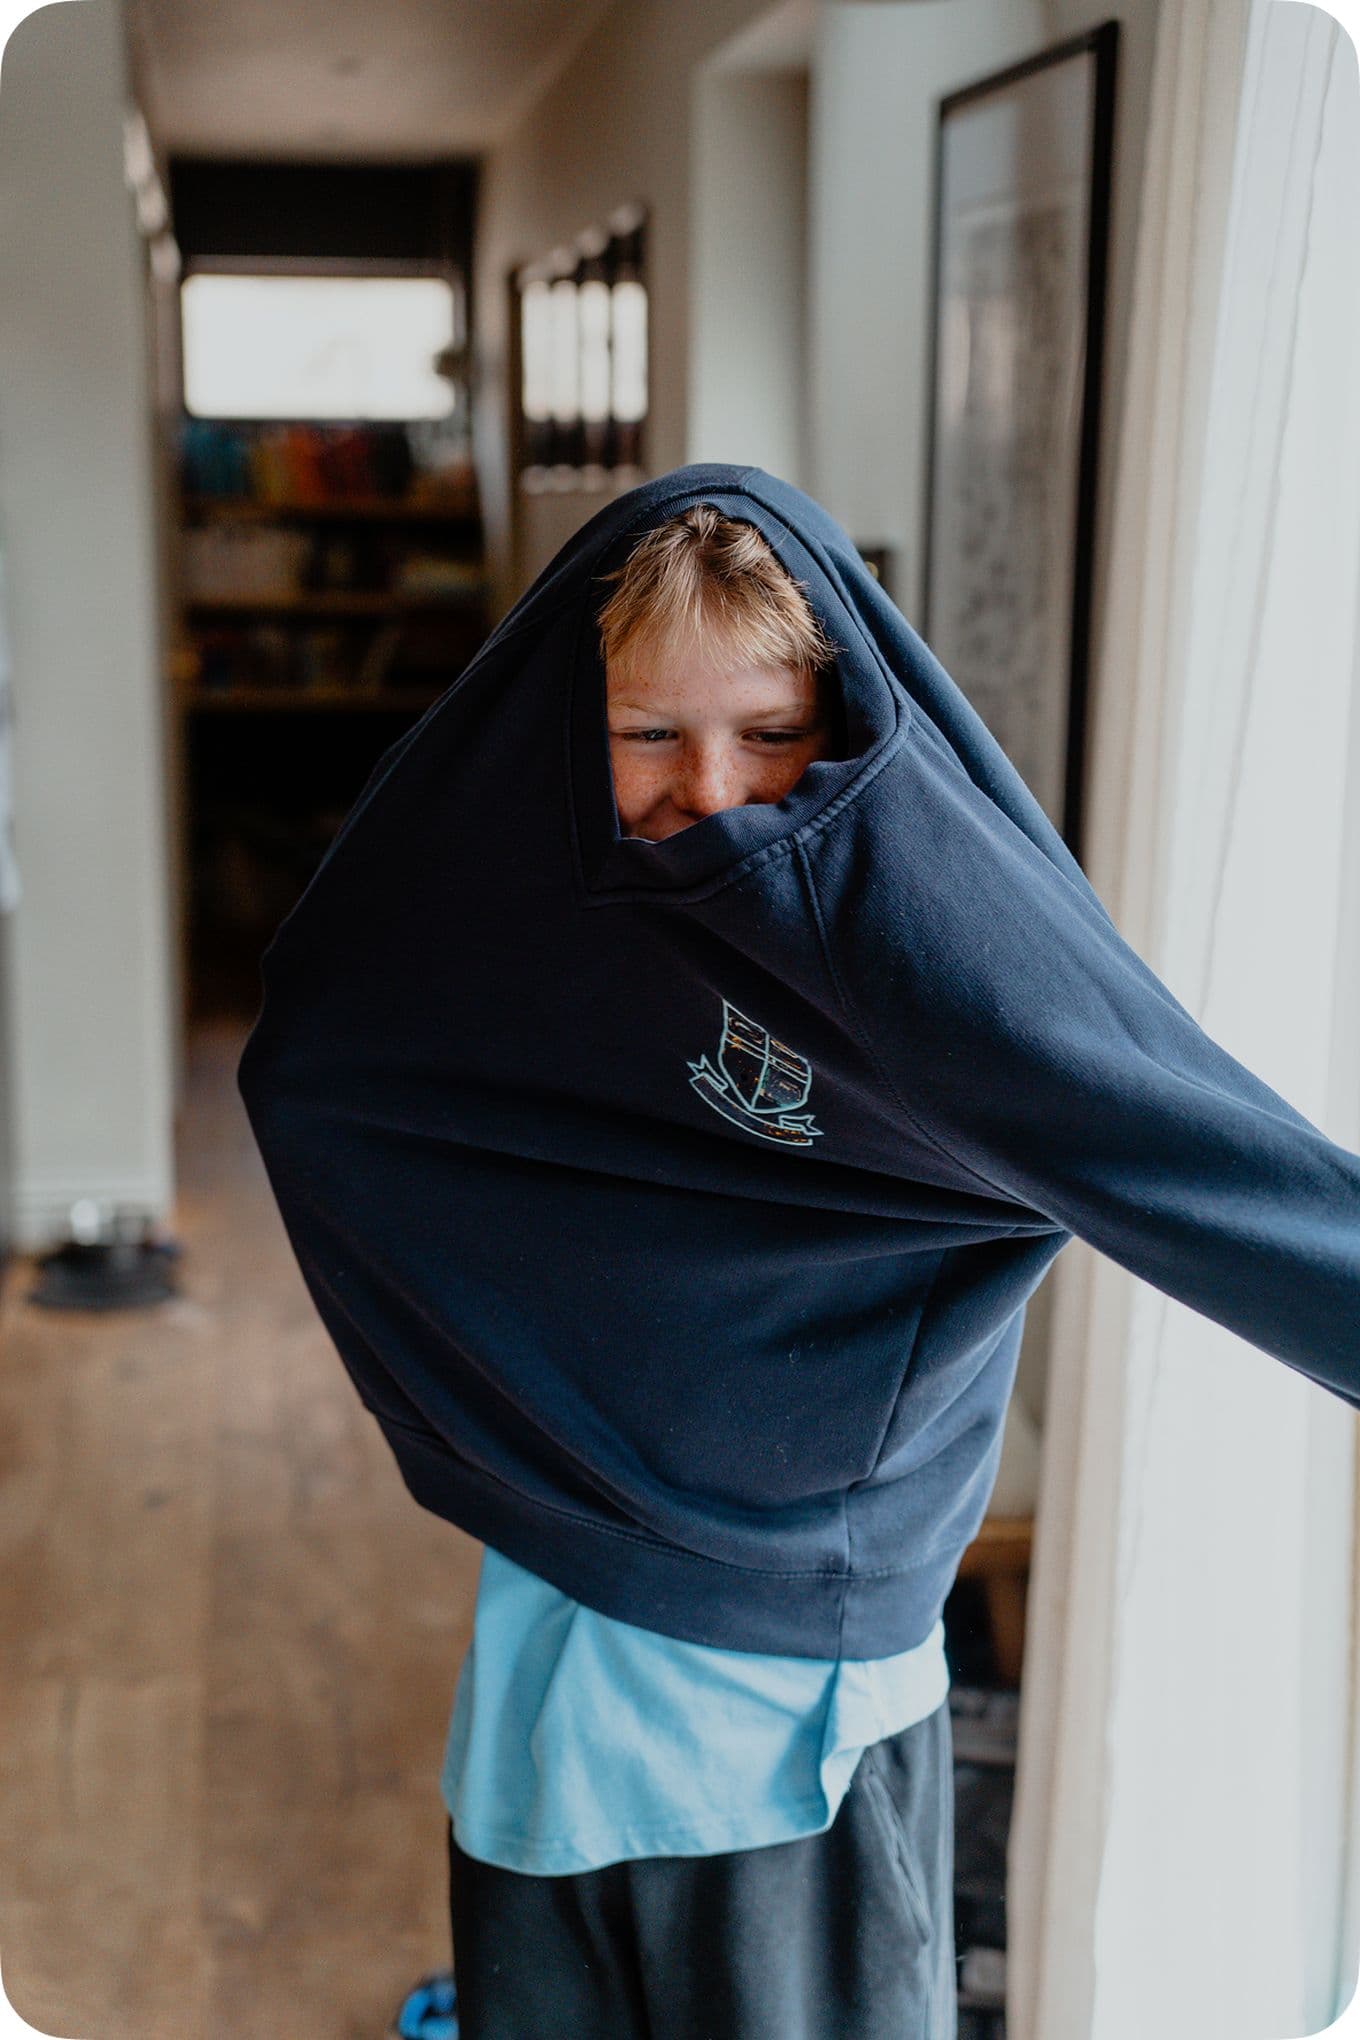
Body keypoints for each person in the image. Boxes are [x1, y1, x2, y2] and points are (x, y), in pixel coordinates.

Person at [237, 465, 1360, 2040]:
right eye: (648, 736)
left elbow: (1222, 1177)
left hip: (770, 1690)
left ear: (839, 719)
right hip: (560, 1623)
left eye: (769, 734)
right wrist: (543, 1381)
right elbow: (324, 1072)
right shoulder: (516, 898)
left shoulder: (904, 923)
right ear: (573, 732)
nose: (712, 790)